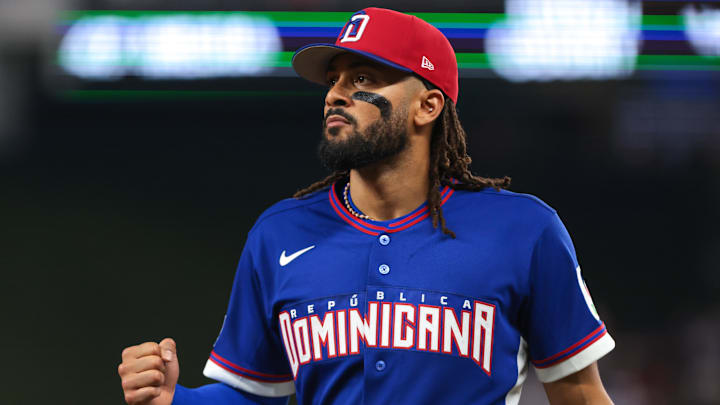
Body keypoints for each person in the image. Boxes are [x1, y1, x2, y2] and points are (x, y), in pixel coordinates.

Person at [118, 7, 615, 405]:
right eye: (334, 80)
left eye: (363, 80)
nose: (335, 94)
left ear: (428, 105)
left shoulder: (522, 230)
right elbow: (253, 395)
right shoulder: (279, 235)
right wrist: (174, 400)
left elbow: (580, 393)